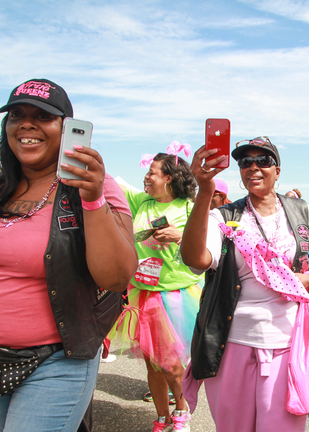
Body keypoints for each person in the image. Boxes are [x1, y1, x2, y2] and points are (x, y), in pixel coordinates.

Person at [0, 78, 137, 432]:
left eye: (43, 116)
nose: (27, 123)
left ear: (68, 129)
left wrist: (93, 199)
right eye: (16, 115)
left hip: (56, 362)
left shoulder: (95, 185)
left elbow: (116, 277)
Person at [181, 136, 309, 432]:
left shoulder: (301, 213)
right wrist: (204, 191)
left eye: (263, 161)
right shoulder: (223, 215)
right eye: (245, 162)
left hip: (287, 344)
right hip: (232, 343)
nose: (254, 167)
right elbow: (196, 259)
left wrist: (306, 279)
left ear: (277, 170)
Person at [114, 151, 201, 432]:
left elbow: (211, 239)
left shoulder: (189, 207)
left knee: (172, 366)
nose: (146, 177)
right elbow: (110, 183)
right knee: (153, 365)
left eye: (152, 172)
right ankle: (162, 416)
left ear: (169, 178)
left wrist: (180, 235)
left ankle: (182, 409)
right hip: (142, 292)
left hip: (174, 295)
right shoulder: (142, 201)